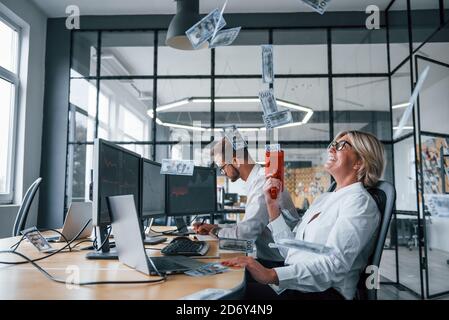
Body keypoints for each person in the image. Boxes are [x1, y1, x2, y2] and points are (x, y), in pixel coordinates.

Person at [222, 130, 385, 300]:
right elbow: (290, 251)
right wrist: (272, 206)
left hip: (324, 294)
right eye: (332, 145)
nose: (331, 149)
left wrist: (270, 275)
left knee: (231, 297)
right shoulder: (325, 198)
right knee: (228, 283)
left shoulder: (359, 202)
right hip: (298, 284)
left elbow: (333, 266)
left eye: (341, 145)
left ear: (359, 162)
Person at [193, 138, 300, 266]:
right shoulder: (257, 180)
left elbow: (244, 237)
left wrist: (215, 232)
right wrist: (215, 227)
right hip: (273, 259)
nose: (223, 173)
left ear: (235, 161)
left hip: (278, 264)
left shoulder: (262, 184)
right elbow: (246, 227)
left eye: (222, 168)